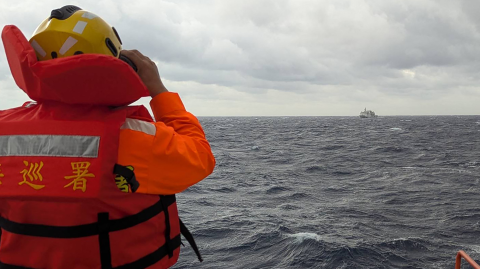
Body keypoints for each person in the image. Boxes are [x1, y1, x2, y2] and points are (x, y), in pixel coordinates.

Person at [0, 5, 215, 269]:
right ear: (116, 61)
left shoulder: (3, 128)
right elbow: (199, 157)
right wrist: (159, 91)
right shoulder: (131, 135)